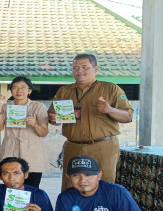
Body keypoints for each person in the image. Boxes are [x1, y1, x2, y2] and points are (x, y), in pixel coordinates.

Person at [48, 54, 133, 190]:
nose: (79, 71)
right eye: (75, 67)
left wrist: (110, 110)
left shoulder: (111, 89)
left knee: (104, 185)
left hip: (103, 147)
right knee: (71, 186)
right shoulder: (64, 91)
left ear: (96, 68)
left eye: (84, 67)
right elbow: (54, 121)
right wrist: (53, 119)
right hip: (73, 147)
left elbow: (128, 116)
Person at [0, 76, 50, 188]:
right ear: (11, 91)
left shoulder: (38, 107)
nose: (19, 91)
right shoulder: (6, 107)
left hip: (32, 152)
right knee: (11, 185)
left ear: (29, 91)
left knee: (32, 187)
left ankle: (31, 206)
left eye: (23, 87)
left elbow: (44, 133)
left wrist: (35, 124)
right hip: (11, 149)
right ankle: (12, 206)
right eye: (15, 87)